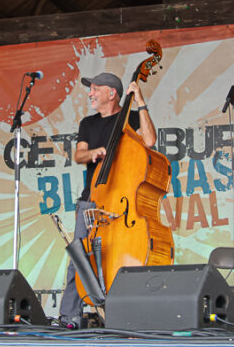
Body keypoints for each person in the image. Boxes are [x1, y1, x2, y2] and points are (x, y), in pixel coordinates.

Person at [58, 72, 156, 329]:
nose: (90, 93)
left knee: (121, 258)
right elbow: (79, 155)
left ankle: (125, 315)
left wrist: (141, 102)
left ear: (112, 93)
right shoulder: (88, 123)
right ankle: (69, 317)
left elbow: (149, 141)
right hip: (91, 200)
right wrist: (93, 153)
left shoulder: (131, 118)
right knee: (79, 259)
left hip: (121, 202)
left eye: (95, 89)